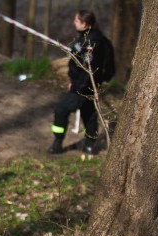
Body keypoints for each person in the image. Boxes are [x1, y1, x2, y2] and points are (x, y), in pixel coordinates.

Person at [48, 9, 111, 155]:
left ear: (84, 23)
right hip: (85, 84)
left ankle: (57, 144)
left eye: (76, 20)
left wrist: (78, 86)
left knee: (61, 110)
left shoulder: (93, 43)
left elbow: (90, 68)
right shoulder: (87, 37)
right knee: (89, 114)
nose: (73, 22)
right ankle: (89, 145)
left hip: (83, 86)